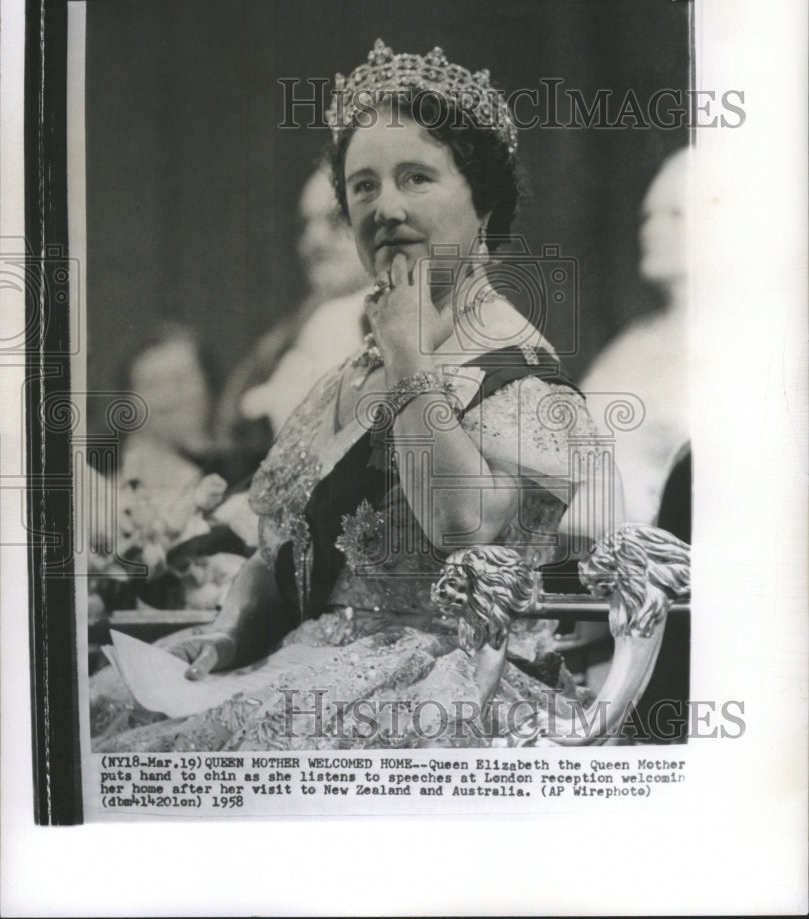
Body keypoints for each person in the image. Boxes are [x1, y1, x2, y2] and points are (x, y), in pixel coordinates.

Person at [92, 41, 629, 752]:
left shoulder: (519, 369)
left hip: (446, 686)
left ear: (483, 201)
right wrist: (225, 636)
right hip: (305, 663)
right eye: (364, 186)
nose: (386, 208)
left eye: (416, 178)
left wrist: (411, 360)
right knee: (103, 717)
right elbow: (277, 554)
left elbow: (463, 530)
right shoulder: (353, 365)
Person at [214, 165, 371, 455]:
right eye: (304, 224)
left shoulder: (357, 319)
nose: (314, 240)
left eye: (335, 221)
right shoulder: (298, 326)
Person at [581, 147, 691, 525]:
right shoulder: (631, 348)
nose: (651, 229)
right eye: (648, 215)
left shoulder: (769, 351)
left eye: (676, 215)